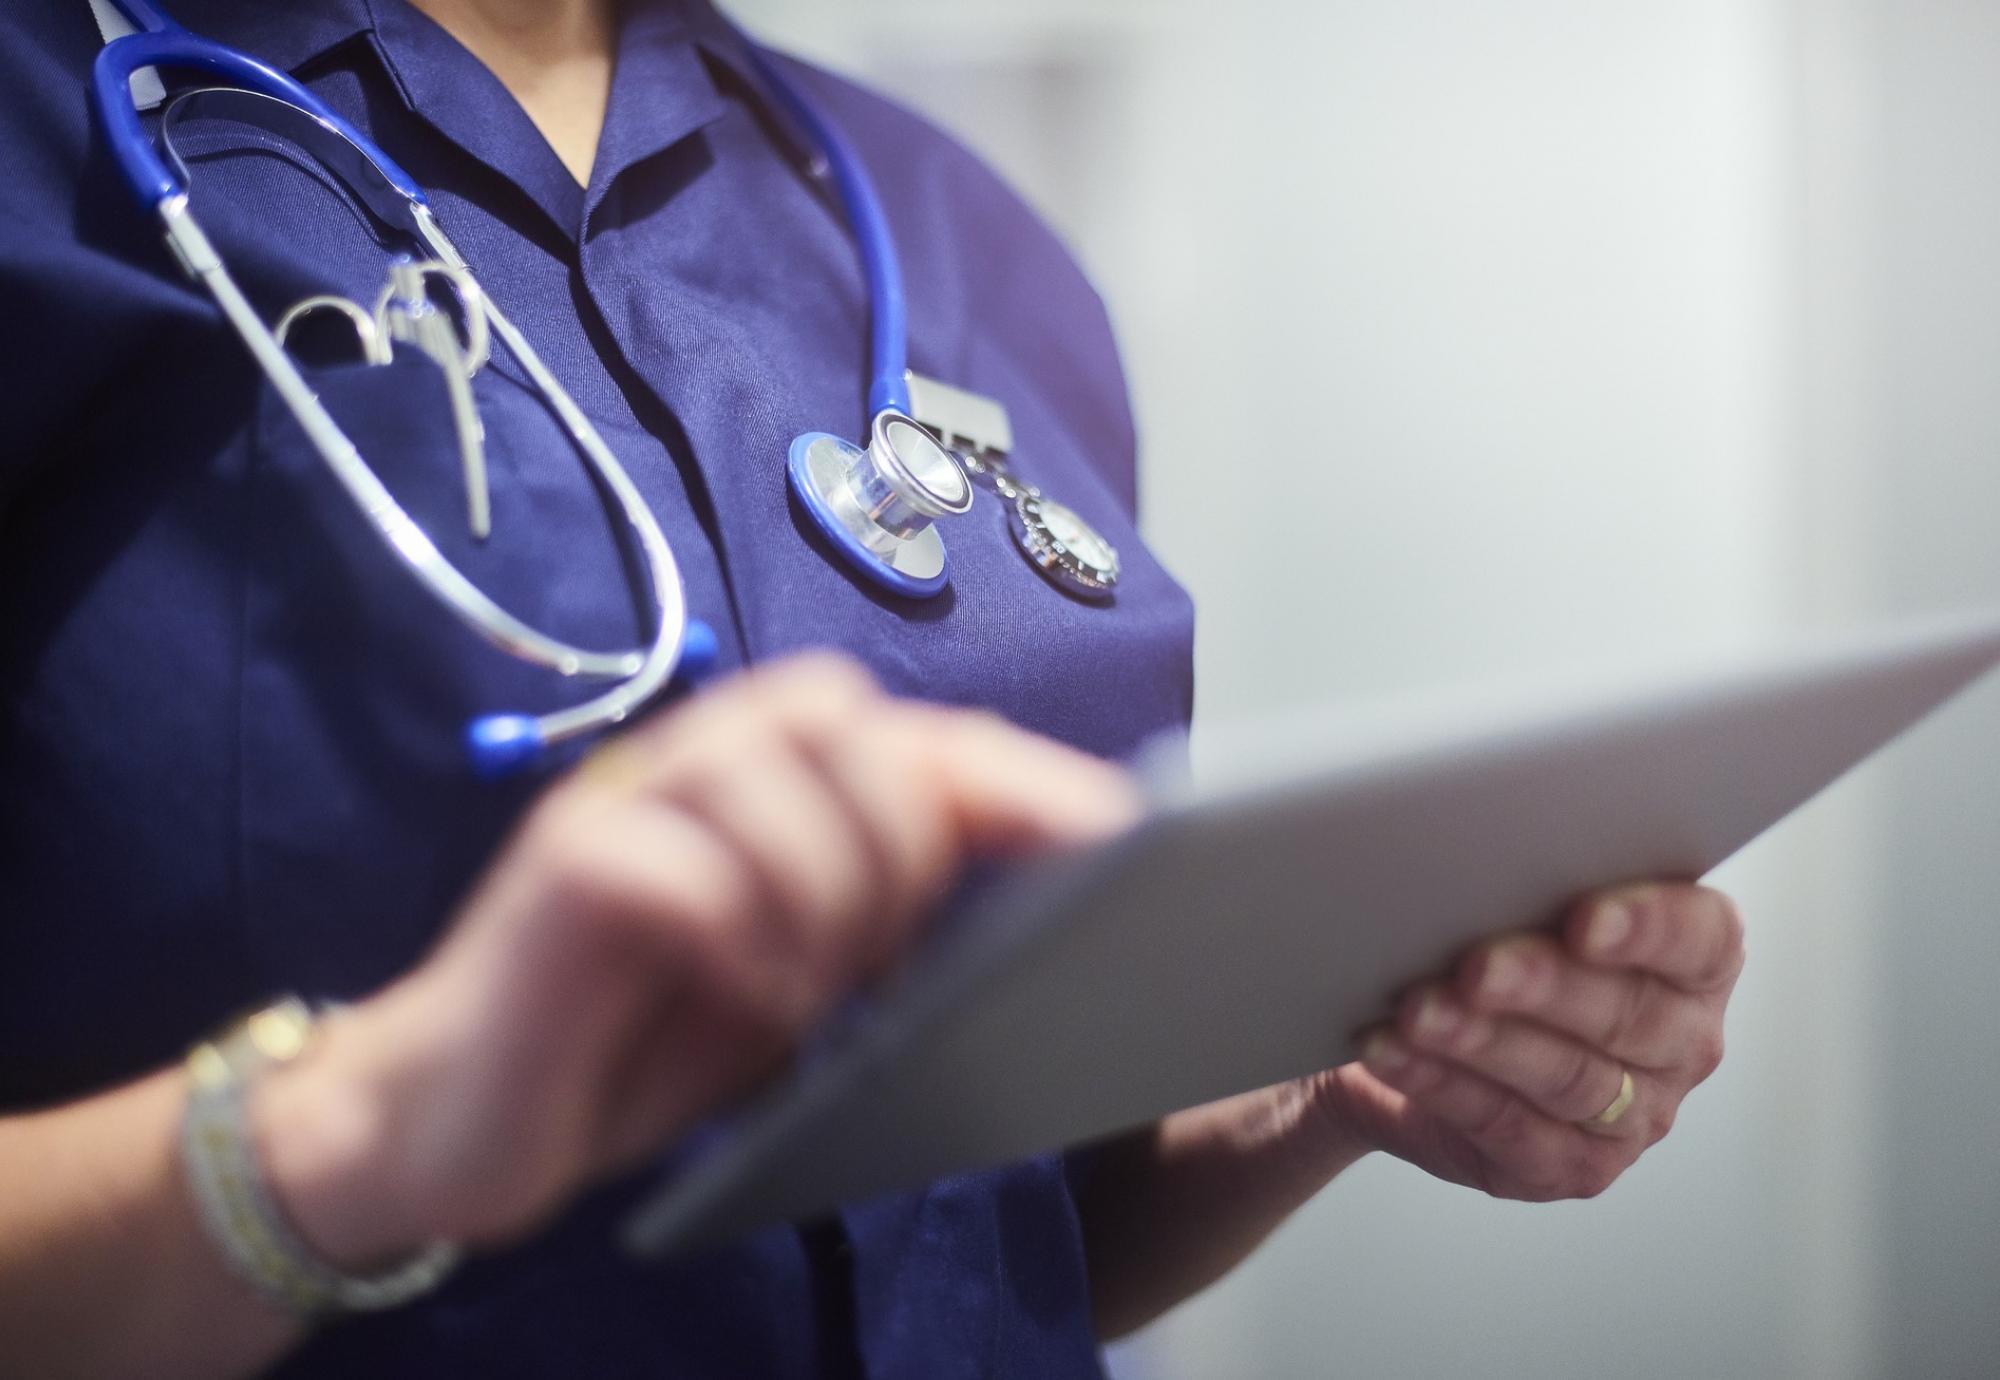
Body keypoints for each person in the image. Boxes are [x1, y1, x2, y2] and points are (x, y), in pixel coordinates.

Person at [0, 0, 1747, 1375]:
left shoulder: (948, 222)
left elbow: (1004, 1226)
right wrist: (357, 1133)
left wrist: (1331, 1095)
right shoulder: (43, 134)